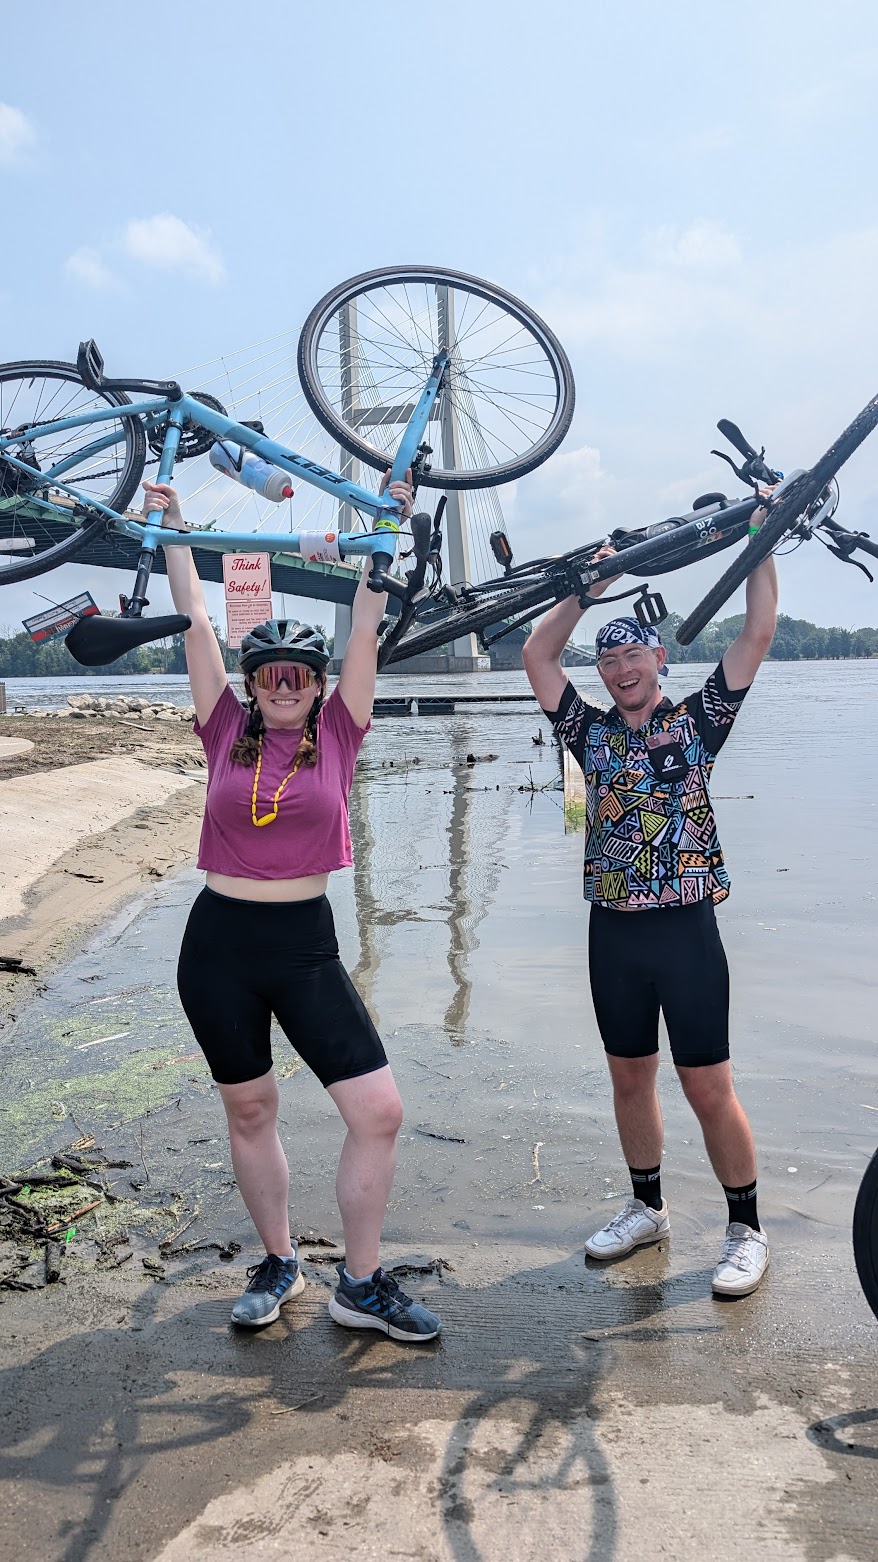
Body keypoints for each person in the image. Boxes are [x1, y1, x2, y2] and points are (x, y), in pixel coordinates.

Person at [142, 474, 441, 1342]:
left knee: (377, 1110)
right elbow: (196, 622)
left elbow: (365, 628)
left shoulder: (343, 729)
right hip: (219, 944)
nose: (283, 684)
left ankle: (361, 1282)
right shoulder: (224, 727)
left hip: (303, 942)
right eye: (269, 672)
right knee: (251, 1107)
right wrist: (175, 529)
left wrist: (384, 532)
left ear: (316, 685)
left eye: (298, 674)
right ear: (253, 681)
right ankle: (279, 1262)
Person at [522, 522, 778, 1297]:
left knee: (708, 1085)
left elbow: (758, 631)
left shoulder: (698, 723)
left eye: (634, 653)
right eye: (608, 657)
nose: (621, 666)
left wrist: (761, 546)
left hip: (687, 930)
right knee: (629, 1078)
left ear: (660, 658)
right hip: (614, 935)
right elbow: (536, 655)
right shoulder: (588, 735)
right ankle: (647, 1209)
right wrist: (584, 592)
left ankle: (746, 1228)